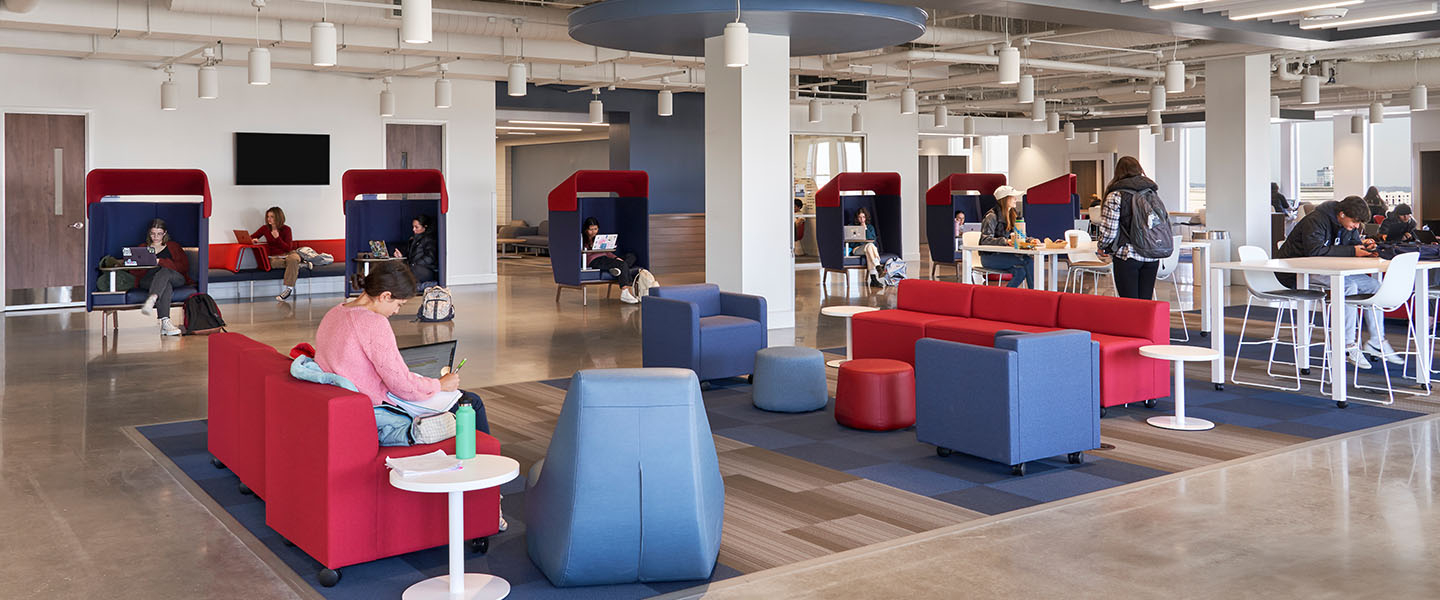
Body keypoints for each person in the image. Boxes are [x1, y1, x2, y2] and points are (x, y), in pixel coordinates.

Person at [315, 261, 491, 431]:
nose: (396, 311)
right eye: (398, 304)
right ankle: (484, 458)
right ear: (385, 296)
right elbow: (403, 387)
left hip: (344, 398)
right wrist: (440, 384)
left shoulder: (335, 312)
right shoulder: (374, 322)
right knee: (472, 402)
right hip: (377, 406)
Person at [1275, 195, 1399, 368]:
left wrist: (1366, 248)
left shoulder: (1347, 224)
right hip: (1298, 271)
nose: (1356, 226)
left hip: (1328, 269)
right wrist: (1353, 251)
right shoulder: (1315, 220)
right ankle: (1347, 346)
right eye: (1355, 222)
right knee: (1348, 286)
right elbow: (1315, 251)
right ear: (1341, 214)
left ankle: (1376, 341)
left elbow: (1354, 245)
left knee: (1375, 287)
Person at [1097, 156, 1164, 300]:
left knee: (1129, 304)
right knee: (1145, 303)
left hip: (1128, 255)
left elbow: (1110, 229)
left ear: (1118, 172)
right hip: (1152, 255)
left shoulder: (1116, 195)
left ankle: (1131, 324)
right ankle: (1145, 324)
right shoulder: (1151, 192)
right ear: (1139, 170)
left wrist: (1101, 246)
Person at [136, 218, 190, 336]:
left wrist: (160, 261)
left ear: (164, 233)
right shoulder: (143, 247)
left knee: (165, 272)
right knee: (165, 285)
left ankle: (153, 297)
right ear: (149, 233)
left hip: (175, 277)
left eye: (159, 234)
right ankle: (165, 323)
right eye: (153, 233)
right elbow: (136, 272)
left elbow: (183, 267)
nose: (155, 237)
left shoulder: (173, 246)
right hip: (150, 280)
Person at [978, 186, 1034, 289]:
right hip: (989, 257)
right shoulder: (991, 216)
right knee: (1028, 260)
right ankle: (1037, 296)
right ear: (1005, 199)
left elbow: (1019, 236)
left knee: (1020, 271)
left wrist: (1030, 240)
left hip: (1003, 256)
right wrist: (1006, 241)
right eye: (1013, 197)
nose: (1016, 199)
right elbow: (984, 240)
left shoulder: (1013, 215)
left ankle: (1005, 296)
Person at [582, 216, 640, 303]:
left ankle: (616, 270)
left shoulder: (599, 239)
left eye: (595, 229)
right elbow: (585, 255)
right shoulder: (583, 240)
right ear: (586, 229)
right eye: (591, 229)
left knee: (631, 256)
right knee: (622, 265)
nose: (593, 232)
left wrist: (616, 258)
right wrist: (592, 248)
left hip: (605, 258)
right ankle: (625, 292)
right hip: (595, 261)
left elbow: (607, 253)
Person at [251, 206, 301, 302]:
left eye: (272, 216)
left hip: (289, 253)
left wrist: (277, 238)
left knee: (293, 259)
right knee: (274, 264)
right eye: (268, 216)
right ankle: (298, 265)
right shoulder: (265, 228)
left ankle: (288, 289)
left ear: (278, 217)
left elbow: (288, 248)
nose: (269, 219)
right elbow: (251, 237)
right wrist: (254, 239)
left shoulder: (286, 229)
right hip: (275, 257)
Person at [393, 214, 439, 283]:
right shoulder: (413, 239)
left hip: (425, 270)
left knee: (404, 273)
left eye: (416, 227)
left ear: (425, 227)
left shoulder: (430, 239)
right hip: (414, 268)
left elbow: (430, 258)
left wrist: (414, 264)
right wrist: (401, 257)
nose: (413, 229)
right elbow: (410, 258)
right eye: (413, 227)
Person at [847, 207, 886, 288]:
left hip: (869, 249)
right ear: (857, 218)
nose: (862, 219)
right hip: (857, 249)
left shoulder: (870, 227)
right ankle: (878, 268)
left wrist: (865, 229)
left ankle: (873, 280)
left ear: (866, 217)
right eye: (860, 217)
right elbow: (850, 243)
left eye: (863, 217)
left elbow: (872, 240)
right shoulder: (851, 227)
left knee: (870, 247)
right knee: (870, 247)